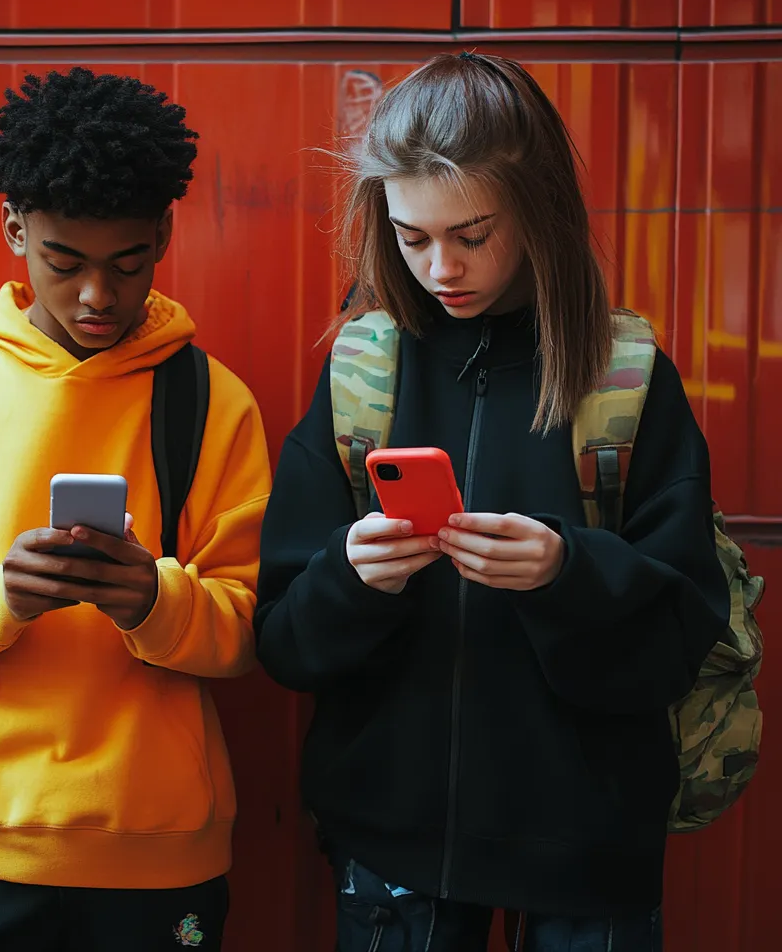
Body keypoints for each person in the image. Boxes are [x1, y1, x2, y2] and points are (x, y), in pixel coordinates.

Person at [253, 53, 729, 952]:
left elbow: (683, 634)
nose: (441, 267)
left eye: (472, 233)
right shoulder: (363, 371)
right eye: (411, 236)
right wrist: (354, 578)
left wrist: (565, 570)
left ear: (541, 211)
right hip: (394, 847)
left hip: (588, 846)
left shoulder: (625, 377)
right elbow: (281, 640)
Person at [0, 68, 271, 952]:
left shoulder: (212, 404)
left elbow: (253, 628)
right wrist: (0, 594)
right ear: (14, 231)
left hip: (159, 859)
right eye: (63, 262)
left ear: (164, 235)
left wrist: (152, 598)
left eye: (129, 264)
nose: (96, 298)